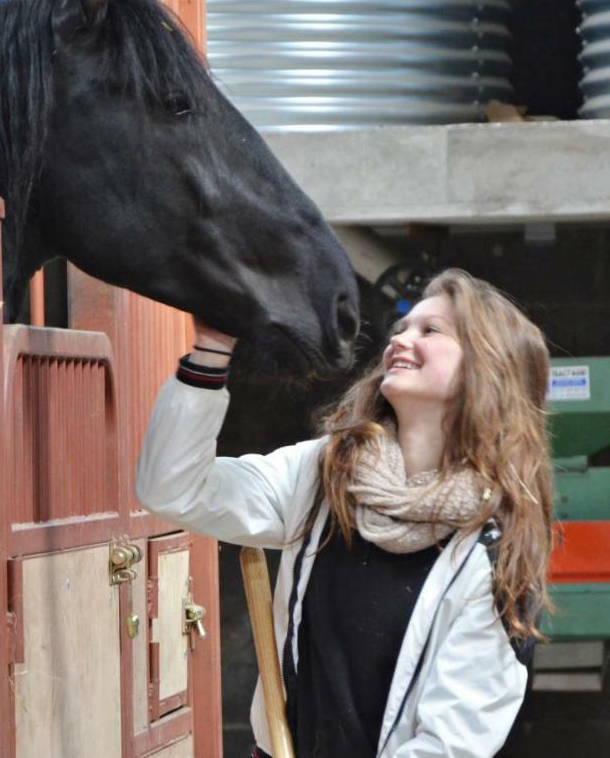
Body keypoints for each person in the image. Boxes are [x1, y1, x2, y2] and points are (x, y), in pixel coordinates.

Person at [136, 269, 553, 758]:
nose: (401, 338)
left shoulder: (491, 551)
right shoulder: (323, 473)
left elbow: (450, 745)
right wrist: (209, 351)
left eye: (431, 330)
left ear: (488, 368)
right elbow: (174, 488)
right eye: (402, 328)